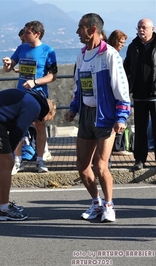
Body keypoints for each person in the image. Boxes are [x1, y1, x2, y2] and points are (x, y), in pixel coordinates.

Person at [64, 13, 130, 222]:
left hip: (106, 115)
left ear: (92, 29)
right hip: (87, 115)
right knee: (82, 166)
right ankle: (96, 203)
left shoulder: (110, 55)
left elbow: (122, 88)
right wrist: (74, 108)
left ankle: (110, 205)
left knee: (100, 166)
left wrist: (121, 117)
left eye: (80, 27)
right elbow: (78, 87)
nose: (77, 32)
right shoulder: (81, 55)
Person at [0, 88, 55, 221]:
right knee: (7, 163)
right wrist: (9, 152)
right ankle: (4, 210)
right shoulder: (35, 106)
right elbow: (18, 130)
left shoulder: (28, 97)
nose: (40, 122)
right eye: (45, 120)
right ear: (46, 112)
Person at [2, 20, 58, 173]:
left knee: (40, 126)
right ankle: (18, 161)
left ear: (37, 34)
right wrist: (7, 63)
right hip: (20, 95)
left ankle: (40, 160)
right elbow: (9, 68)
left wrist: (35, 82)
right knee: (18, 126)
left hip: (38, 95)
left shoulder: (48, 51)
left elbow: (53, 76)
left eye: (27, 32)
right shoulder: (21, 48)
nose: (24, 35)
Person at [124, 18, 156, 170]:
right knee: (140, 129)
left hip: (155, 94)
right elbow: (126, 67)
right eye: (139, 27)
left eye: (144, 27)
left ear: (152, 29)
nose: (141, 30)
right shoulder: (133, 46)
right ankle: (139, 160)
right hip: (139, 94)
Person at [107, 30, 132, 156]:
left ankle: (118, 145)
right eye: (121, 42)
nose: (122, 45)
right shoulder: (112, 55)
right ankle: (117, 147)